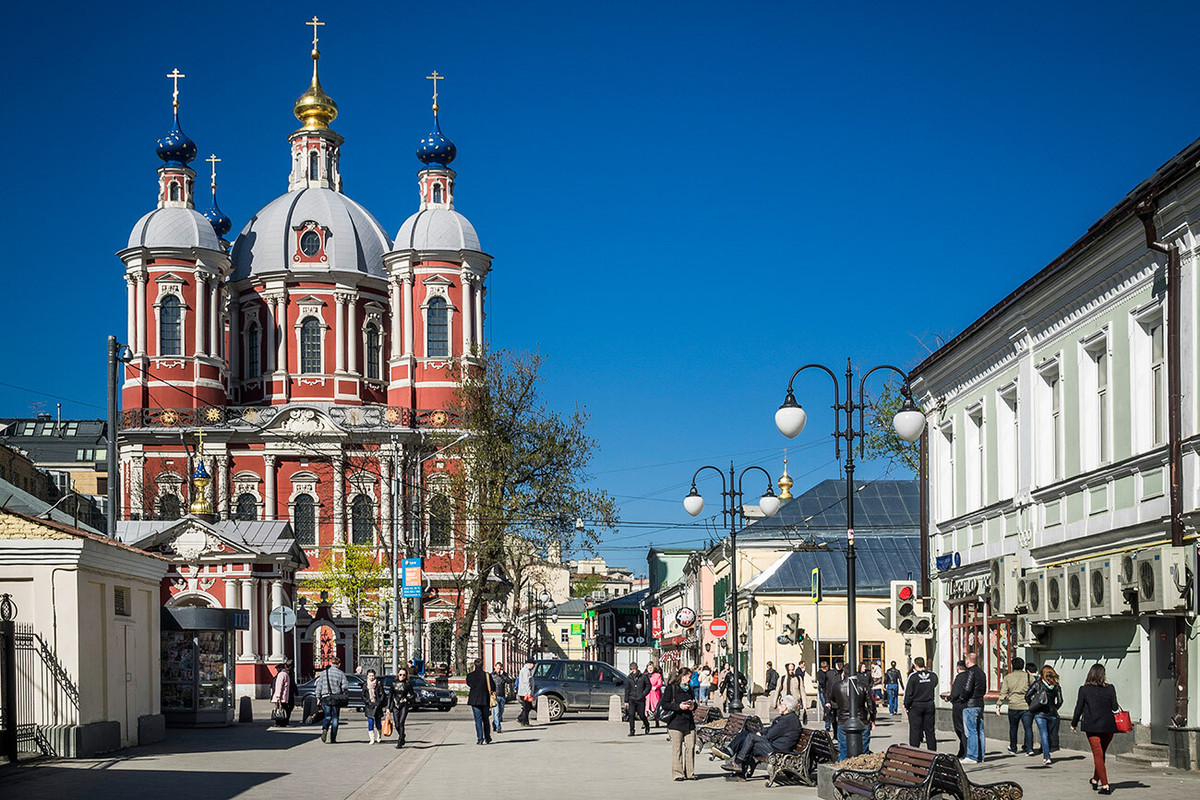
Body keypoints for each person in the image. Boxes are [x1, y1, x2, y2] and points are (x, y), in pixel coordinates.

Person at [715, 694, 803, 781]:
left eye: (780, 704)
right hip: (774, 746)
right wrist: (760, 733)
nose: (778, 707)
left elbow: (770, 735)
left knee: (750, 738)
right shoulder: (787, 718)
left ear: (785, 707)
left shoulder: (788, 720)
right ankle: (729, 753)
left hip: (778, 750)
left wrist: (759, 735)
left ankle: (738, 764)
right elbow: (769, 730)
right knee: (745, 734)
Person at [1071, 663, 1119, 793]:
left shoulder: (1084, 689)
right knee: (1100, 755)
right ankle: (1094, 780)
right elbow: (1115, 707)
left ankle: (1105, 786)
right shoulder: (1110, 688)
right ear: (1103, 675)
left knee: (1098, 755)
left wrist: (1074, 723)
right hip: (1108, 727)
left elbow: (1079, 708)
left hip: (1092, 727)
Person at [829, 667, 877, 760]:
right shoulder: (862, 686)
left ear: (844, 673)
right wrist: (872, 719)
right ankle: (863, 770)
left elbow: (832, 699)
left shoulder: (837, 686)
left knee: (844, 750)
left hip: (843, 720)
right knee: (863, 751)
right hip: (861, 720)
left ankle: (843, 770)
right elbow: (871, 705)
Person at [661, 666, 698, 780]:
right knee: (677, 748)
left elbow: (695, 703)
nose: (690, 680)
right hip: (675, 722)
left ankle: (690, 773)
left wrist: (692, 706)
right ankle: (678, 774)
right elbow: (665, 704)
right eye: (688, 677)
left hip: (689, 722)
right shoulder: (672, 688)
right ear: (682, 676)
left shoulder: (690, 689)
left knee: (690, 747)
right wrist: (679, 706)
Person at [996, 656, 1034, 756]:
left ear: (1013, 666)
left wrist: (998, 705)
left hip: (1013, 706)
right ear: (1022, 666)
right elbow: (1036, 688)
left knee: (1013, 728)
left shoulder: (1008, 677)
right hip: (1026, 706)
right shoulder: (1028, 676)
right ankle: (1030, 749)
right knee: (1028, 728)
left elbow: (1003, 692)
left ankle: (1013, 748)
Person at [1028, 664, 1064, 765]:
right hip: (1052, 714)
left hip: (1040, 713)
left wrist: (1032, 706)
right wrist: (1054, 708)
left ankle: (1047, 757)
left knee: (1044, 734)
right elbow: (1061, 701)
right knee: (1049, 734)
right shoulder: (1056, 686)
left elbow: (1027, 695)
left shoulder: (1037, 684)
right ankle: (1046, 752)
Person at [903, 657, 938, 751]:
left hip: (916, 705)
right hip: (929, 704)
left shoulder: (913, 677)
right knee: (930, 730)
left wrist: (906, 705)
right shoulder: (932, 675)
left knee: (915, 730)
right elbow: (935, 684)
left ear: (915, 665)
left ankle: (915, 752)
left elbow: (908, 693)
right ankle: (932, 752)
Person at [961, 651, 987, 763]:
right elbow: (984, 689)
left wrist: (962, 698)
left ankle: (972, 756)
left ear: (967, 661)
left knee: (971, 731)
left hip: (970, 704)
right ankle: (981, 755)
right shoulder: (981, 673)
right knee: (980, 730)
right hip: (980, 703)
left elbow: (967, 689)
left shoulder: (970, 672)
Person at [316, 656, 348, 744]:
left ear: (331, 663)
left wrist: (318, 697)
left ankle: (325, 728)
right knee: (335, 718)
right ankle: (333, 738)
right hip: (336, 698)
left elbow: (319, 686)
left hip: (325, 697)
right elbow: (345, 686)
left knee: (327, 716)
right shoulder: (341, 673)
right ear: (339, 664)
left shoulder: (324, 673)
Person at [465, 658, 496, 745]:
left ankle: (480, 739)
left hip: (474, 700)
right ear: (482, 665)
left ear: (475, 665)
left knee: (478, 720)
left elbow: (469, 684)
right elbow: (493, 686)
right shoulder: (486, 675)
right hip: (485, 700)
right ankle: (487, 737)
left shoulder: (470, 675)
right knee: (485, 719)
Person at [388, 667, 416, 748]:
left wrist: (406, 699)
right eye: (400, 674)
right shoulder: (393, 684)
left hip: (404, 706)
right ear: (398, 674)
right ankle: (402, 735)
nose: (402, 676)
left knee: (401, 723)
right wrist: (388, 708)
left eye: (404, 675)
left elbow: (413, 695)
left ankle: (400, 741)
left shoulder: (407, 684)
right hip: (395, 705)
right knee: (396, 724)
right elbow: (390, 695)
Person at [948, 660, 970, 758]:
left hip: (959, 705)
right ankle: (962, 751)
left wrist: (949, 698)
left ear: (958, 668)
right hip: (968, 704)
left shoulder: (959, 677)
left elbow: (955, 692)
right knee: (965, 729)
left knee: (960, 729)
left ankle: (965, 751)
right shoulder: (970, 676)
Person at [624, 662, 651, 735]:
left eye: (634, 668)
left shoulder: (643, 676)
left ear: (637, 668)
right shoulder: (629, 678)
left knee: (641, 715)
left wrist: (643, 694)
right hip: (632, 698)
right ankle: (632, 731)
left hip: (640, 699)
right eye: (631, 669)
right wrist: (626, 700)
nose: (633, 670)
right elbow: (627, 689)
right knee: (631, 714)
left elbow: (648, 686)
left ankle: (647, 724)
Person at [361, 669, 386, 744]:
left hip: (377, 706)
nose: (371, 677)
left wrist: (378, 702)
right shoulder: (365, 684)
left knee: (378, 723)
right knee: (370, 722)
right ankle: (372, 739)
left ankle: (379, 736)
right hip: (369, 706)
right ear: (367, 676)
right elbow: (363, 695)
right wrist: (368, 702)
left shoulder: (378, 684)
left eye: (373, 675)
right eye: (370, 676)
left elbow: (382, 695)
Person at [491, 661, 512, 733]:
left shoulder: (504, 674)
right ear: (494, 667)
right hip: (495, 696)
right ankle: (498, 727)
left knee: (501, 712)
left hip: (502, 695)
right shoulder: (492, 675)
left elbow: (509, 681)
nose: (498, 670)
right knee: (496, 712)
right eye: (497, 668)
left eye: (500, 668)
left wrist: (503, 675)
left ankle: (495, 723)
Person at [270, 662, 293, 727]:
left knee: (279, 709)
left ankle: (279, 722)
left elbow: (279, 686)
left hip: (281, 696)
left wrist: (278, 696)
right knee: (284, 709)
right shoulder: (286, 674)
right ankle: (283, 722)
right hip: (284, 696)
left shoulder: (281, 675)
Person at [515, 658, 535, 726]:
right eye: (533, 664)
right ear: (530, 664)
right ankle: (522, 719)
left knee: (527, 707)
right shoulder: (526, 671)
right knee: (527, 707)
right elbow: (526, 682)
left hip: (523, 692)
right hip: (525, 693)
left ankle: (523, 720)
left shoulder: (525, 670)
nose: (533, 666)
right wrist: (529, 692)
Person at [815, 661, 832, 731]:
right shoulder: (820, 673)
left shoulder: (830, 672)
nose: (825, 669)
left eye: (826, 667)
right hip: (823, 691)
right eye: (823, 668)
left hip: (830, 691)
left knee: (829, 708)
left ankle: (829, 723)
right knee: (826, 707)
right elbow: (821, 681)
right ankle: (827, 724)